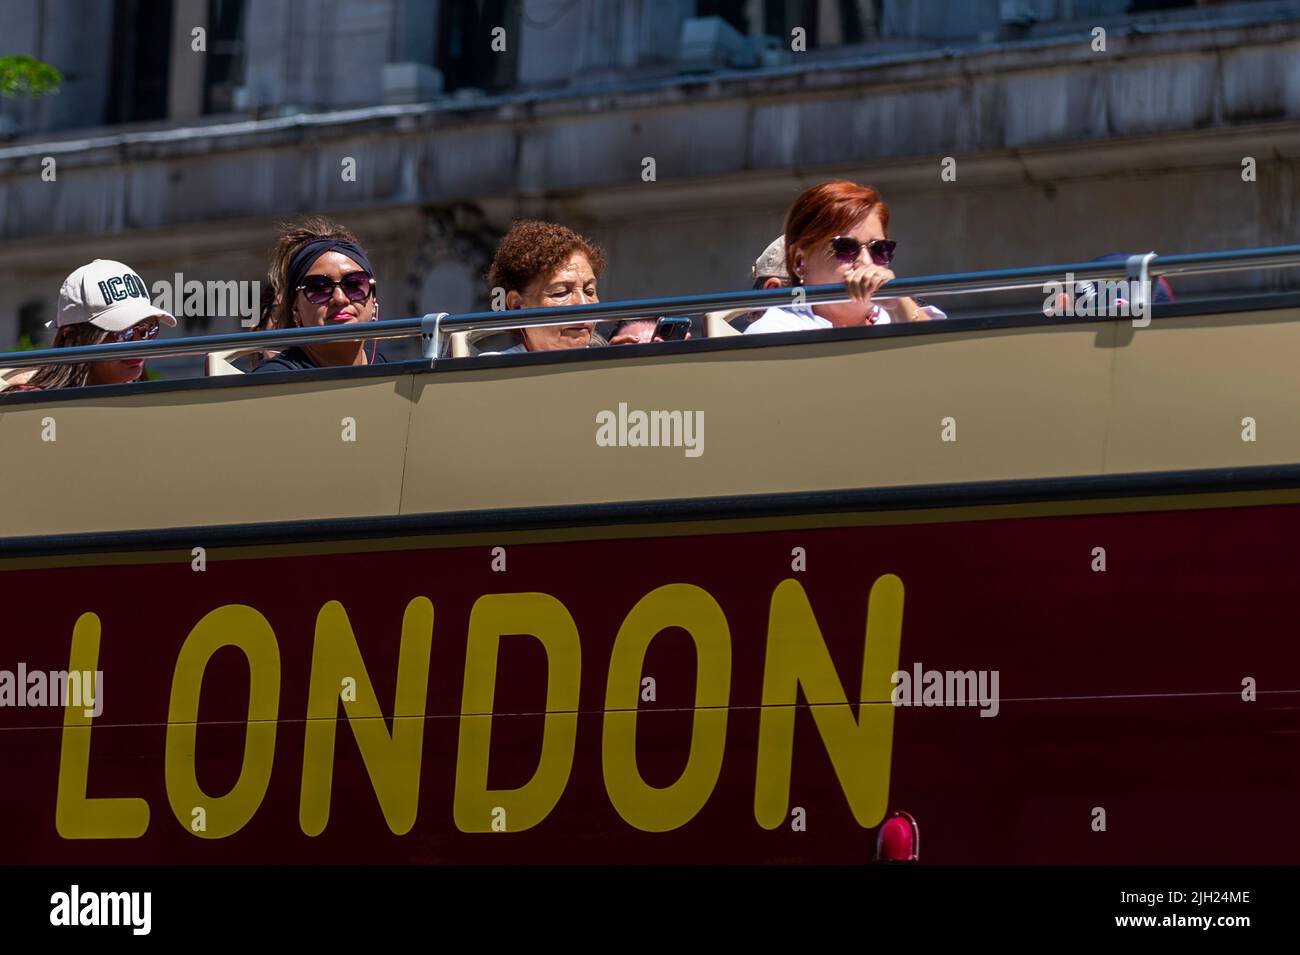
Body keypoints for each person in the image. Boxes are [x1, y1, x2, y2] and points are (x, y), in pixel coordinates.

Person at [745, 180, 944, 334]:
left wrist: (899, 302)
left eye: (880, 249)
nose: (866, 262)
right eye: (845, 248)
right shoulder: (774, 332)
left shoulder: (898, 315)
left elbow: (949, 370)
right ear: (799, 263)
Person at [4, 259, 176, 391]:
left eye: (149, 330)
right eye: (124, 332)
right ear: (74, 338)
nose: (140, 343)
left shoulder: (150, 401)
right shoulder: (29, 403)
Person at [253, 217, 386, 372]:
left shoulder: (396, 373)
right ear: (295, 308)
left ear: (373, 301)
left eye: (354, 284)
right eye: (319, 288)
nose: (340, 299)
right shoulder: (273, 378)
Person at [476, 220, 608, 354]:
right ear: (516, 305)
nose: (584, 304)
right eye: (560, 293)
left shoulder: (615, 364)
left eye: (589, 292)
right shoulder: (492, 371)